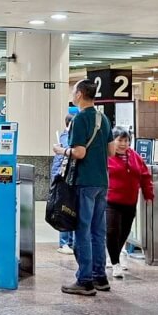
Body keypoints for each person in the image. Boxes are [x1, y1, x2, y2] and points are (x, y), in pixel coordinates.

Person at [61, 79, 112, 296]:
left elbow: (79, 152)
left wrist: (62, 150)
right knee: (98, 231)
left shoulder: (80, 119)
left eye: (74, 91)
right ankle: (100, 277)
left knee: (82, 231)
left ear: (80, 94)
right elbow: (111, 151)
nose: (73, 94)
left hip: (84, 182)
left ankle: (85, 280)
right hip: (102, 182)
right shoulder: (103, 118)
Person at [105, 126, 153, 279]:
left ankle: (114, 254)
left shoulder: (135, 156)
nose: (123, 144)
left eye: (126, 141)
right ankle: (115, 263)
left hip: (129, 202)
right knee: (112, 231)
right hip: (110, 202)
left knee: (124, 233)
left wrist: (148, 195)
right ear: (113, 141)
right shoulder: (106, 156)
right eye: (120, 140)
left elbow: (145, 176)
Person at [51, 113, 75, 255]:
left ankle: (70, 242)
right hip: (63, 179)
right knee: (64, 210)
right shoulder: (66, 138)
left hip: (67, 178)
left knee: (70, 210)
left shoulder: (67, 137)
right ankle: (64, 242)